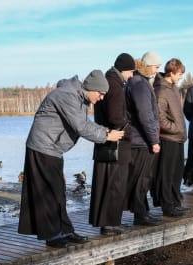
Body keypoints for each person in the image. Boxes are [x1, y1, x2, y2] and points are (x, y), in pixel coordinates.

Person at [18, 70, 125, 248]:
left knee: (58, 190)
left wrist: (105, 131)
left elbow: (85, 123)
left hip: (53, 149)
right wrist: (106, 137)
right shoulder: (67, 96)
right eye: (100, 93)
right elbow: (81, 127)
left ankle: (65, 230)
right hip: (42, 147)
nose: (101, 98)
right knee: (48, 192)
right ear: (91, 88)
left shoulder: (79, 98)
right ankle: (52, 236)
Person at [89, 53, 135, 236]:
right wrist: (130, 129)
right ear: (124, 69)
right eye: (130, 72)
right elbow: (116, 118)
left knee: (104, 183)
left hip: (104, 140)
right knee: (115, 183)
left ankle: (105, 222)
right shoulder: (115, 86)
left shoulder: (106, 83)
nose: (131, 76)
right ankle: (111, 223)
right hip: (116, 142)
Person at [124, 51, 163, 226]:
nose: (157, 70)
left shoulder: (137, 81)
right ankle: (140, 215)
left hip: (138, 139)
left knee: (140, 177)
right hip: (141, 140)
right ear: (147, 65)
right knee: (142, 178)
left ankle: (142, 211)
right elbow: (145, 115)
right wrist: (154, 140)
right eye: (156, 66)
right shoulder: (140, 84)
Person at [151, 58, 188, 217]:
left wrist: (180, 130)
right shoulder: (160, 90)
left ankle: (175, 201)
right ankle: (167, 205)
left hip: (178, 138)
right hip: (168, 139)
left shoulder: (174, 89)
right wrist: (176, 129)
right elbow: (160, 118)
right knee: (166, 174)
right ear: (171, 73)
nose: (180, 77)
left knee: (177, 172)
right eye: (179, 74)